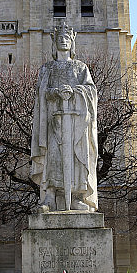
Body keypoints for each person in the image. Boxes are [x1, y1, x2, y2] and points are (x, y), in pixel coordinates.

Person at [30, 23, 98, 212]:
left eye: (67, 38)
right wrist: (53, 93)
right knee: (53, 156)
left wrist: (75, 91)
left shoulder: (80, 67)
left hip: (76, 123)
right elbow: (40, 93)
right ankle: (50, 197)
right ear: (54, 43)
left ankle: (77, 197)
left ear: (72, 43)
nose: (63, 41)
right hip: (53, 121)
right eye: (60, 38)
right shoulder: (47, 69)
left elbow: (91, 91)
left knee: (77, 158)